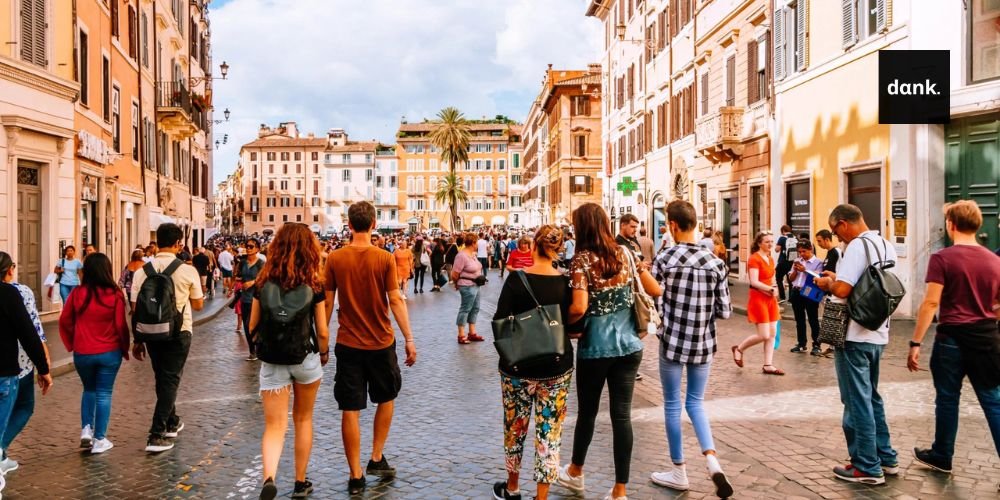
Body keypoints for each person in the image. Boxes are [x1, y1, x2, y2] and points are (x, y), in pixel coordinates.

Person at [557, 203, 662, 500]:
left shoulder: (582, 260)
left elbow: (578, 307)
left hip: (596, 348)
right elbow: (654, 289)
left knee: (588, 414)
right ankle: (620, 491)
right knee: (621, 416)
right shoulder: (626, 252)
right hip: (630, 345)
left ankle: (576, 472)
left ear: (583, 227)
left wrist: (562, 323)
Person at [323, 201, 416, 496]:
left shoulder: (335, 259)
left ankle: (355, 474)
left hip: (347, 343)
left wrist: (323, 341)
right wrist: (409, 339)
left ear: (349, 225)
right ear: (374, 223)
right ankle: (376, 455)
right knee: (386, 397)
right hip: (381, 342)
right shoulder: (384, 259)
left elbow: (326, 303)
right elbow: (396, 300)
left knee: (350, 408)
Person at [907, 200, 1000, 475]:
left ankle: (942, 454)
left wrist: (915, 342)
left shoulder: (943, 258)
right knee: (993, 401)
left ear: (951, 224)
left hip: (951, 339)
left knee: (948, 399)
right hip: (986, 338)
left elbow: (931, 304)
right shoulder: (995, 261)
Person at [648, 201, 734, 498]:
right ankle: (712, 461)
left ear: (672, 225)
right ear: (695, 224)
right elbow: (724, 311)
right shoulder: (715, 263)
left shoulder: (665, 259)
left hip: (672, 342)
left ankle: (678, 471)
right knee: (695, 403)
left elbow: (654, 299)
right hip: (703, 344)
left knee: (672, 404)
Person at [813, 203, 899, 484]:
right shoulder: (885, 244)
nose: (838, 239)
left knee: (855, 400)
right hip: (878, 332)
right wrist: (839, 279)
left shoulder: (856, 247)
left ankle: (865, 466)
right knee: (871, 396)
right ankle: (885, 457)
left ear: (842, 223)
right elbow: (869, 283)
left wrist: (828, 283)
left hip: (854, 334)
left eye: (837, 232)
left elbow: (844, 290)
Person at [491, 226, 575, 500]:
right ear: (557, 249)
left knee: (515, 427)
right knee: (549, 433)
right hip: (556, 367)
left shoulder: (516, 280)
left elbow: (500, 320)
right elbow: (576, 322)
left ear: (534, 246)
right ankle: (541, 496)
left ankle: (513, 487)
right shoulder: (565, 283)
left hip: (518, 367)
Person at [250, 224, 330, 500]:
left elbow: (252, 325)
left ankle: (269, 477)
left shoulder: (262, 282)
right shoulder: (314, 283)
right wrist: (324, 352)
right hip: (305, 357)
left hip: (273, 360)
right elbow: (321, 330)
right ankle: (300, 481)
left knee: (274, 426)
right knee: (303, 419)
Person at [130, 223, 205, 454]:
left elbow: (135, 308)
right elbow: (199, 304)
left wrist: (138, 339)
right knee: (170, 379)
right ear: (178, 243)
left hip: (151, 331)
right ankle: (156, 433)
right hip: (179, 332)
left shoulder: (142, 271)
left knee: (162, 377)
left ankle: (172, 421)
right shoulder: (187, 270)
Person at [59, 253, 129, 455]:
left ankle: (86, 429)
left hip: (83, 351)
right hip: (109, 351)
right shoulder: (115, 294)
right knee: (104, 393)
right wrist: (124, 347)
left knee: (88, 389)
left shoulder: (78, 293)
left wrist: (73, 341)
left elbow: (65, 320)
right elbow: (120, 325)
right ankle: (100, 439)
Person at [0, 260, 52, 495]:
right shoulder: (15, 292)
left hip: (12, 367)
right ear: (9, 270)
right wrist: (43, 367)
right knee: (20, 408)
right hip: (9, 368)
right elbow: (30, 330)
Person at [732, 232, 784, 375]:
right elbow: (753, 282)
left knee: (772, 333)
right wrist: (769, 289)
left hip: (770, 298)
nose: (770, 244)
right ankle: (739, 349)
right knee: (764, 335)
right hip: (758, 298)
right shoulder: (754, 259)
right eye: (767, 242)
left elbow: (773, 279)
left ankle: (768, 364)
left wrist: (776, 290)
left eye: (771, 241)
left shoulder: (770, 258)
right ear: (759, 243)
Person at [787, 240, 824, 356]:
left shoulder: (818, 262)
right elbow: (791, 279)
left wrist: (805, 270)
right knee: (799, 319)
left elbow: (818, 277)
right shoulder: (797, 261)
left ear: (810, 249)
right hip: (796, 291)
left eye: (804, 251)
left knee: (813, 319)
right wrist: (796, 271)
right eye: (799, 252)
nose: (801, 254)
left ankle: (817, 345)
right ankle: (801, 343)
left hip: (810, 292)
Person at [451, 233, 485, 344]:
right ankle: (461, 334)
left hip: (476, 285)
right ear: (473, 243)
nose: (478, 245)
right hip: (467, 285)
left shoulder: (472, 254)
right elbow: (455, 274)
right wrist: (457, 283)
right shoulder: (461, 256)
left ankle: (472, 333)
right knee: (465, 309)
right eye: (477, 242)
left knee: (475, 308)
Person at [235, 238, 265, 361]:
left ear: (257, 249)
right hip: (245, 298)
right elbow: (237, 275)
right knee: (247, 326)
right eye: (247, 246)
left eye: (251, 246)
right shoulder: (242, 262)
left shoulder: (261, 263)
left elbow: (265, 278)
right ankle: (252, 350)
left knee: (256, 325)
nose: (248, 248)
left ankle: (258, 347)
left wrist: (253, 282)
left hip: (258, 299)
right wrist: (239, 281)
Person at [774, 225, 796, 303]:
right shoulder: (794, 238)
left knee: (779, 279)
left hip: (782, 262)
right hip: (792, 262)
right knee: (790, 281)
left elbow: (777, 249)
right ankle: (791, 298)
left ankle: (782, 297)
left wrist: (777, 247)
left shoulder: (782, 238)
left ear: (783, 231)